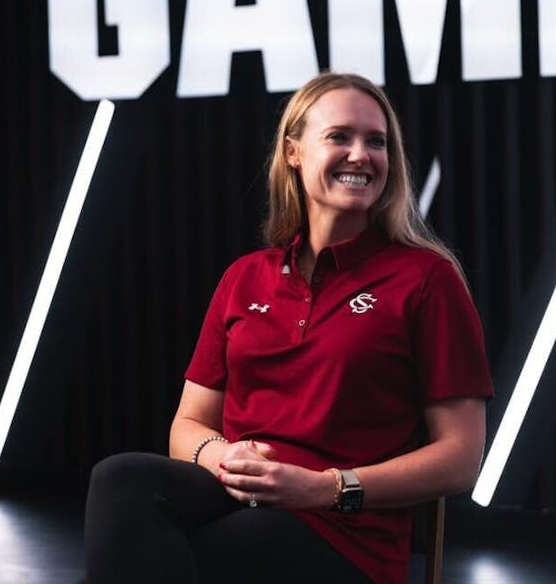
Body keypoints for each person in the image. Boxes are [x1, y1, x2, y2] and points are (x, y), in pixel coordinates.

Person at [84, 72, 493, 583]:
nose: (361, 155)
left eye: (377, 141)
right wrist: (224, 456)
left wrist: (324, 487)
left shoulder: (427, 279)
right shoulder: (245, 276)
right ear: (294, 152)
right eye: (339, 136)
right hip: (238, 498)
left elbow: (459, 459)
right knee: (120, 479)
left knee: (185, 556)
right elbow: (186, 426)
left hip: (345, 533)